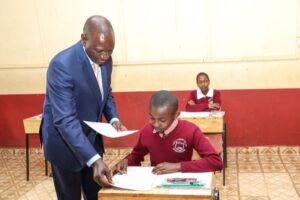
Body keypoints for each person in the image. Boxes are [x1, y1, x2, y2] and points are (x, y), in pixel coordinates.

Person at [40, 15, 126, 200]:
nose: (105, 56)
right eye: (100, 50)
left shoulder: (105, 60)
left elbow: (105, 93)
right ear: (84, 39)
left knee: (94, 194)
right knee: (69, 196)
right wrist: (94, 159)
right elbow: (65, 120)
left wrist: (114, 118)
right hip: (64, 143)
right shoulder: (62, 65)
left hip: (91, 138)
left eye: (110, 51)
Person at [114, 90, 223, 175]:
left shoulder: (191, 130)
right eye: (152, 118)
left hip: (181, 184)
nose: (156, 124)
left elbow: (216, 162)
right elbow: (136, 156)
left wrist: (178, 166)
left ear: (176, 115)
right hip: (156, 185)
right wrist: (126, 161)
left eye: (162, 120)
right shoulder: (146, 131)